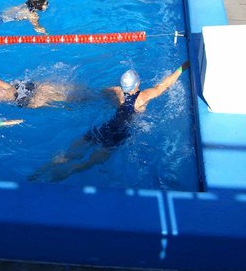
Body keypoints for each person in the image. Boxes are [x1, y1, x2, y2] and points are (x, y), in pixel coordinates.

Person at [30, 62, 190, 183]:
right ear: (137, 83)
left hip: (104, 128)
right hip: (118, 135)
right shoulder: (143, 97)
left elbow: (98, 93)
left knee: (67, 154)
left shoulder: (116, 91)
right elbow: (164, 85)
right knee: (89, 162)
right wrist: (183, 67)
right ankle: (67, 172)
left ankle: (41, 170)